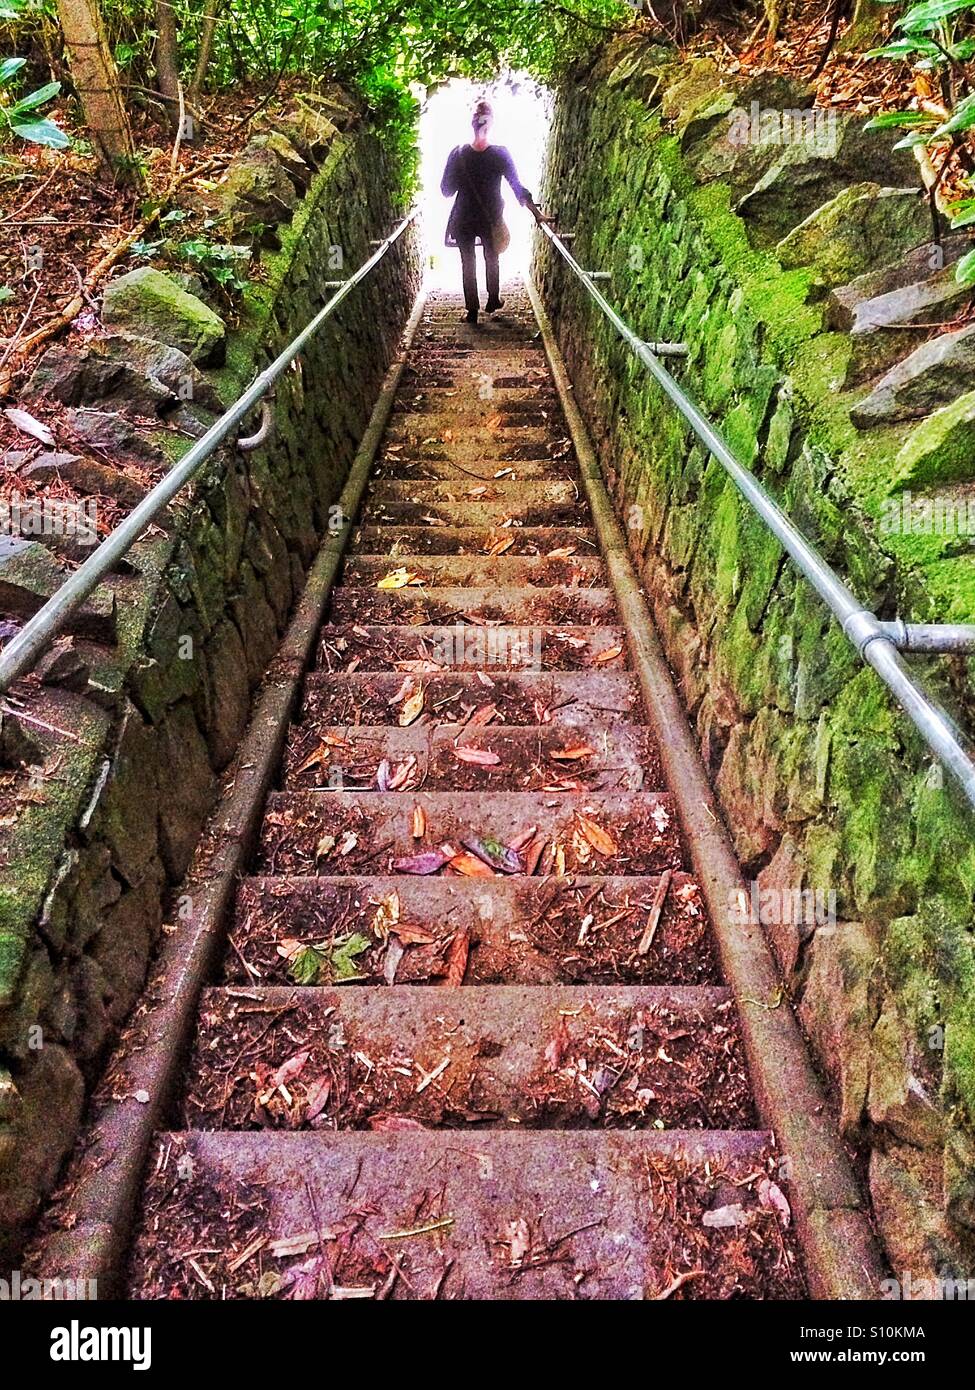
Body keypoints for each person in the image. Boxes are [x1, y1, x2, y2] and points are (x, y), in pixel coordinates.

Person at [441, 99, 548, 325]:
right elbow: (517, 187)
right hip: (491, 218)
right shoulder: (500, 154)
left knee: (467, 262)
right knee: (492, 257)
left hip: (464, 218)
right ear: (490, 124)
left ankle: (471, 311)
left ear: (472, 124)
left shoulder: (458, 154)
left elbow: (446, 190)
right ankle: (492, 299)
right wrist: (536, 214)